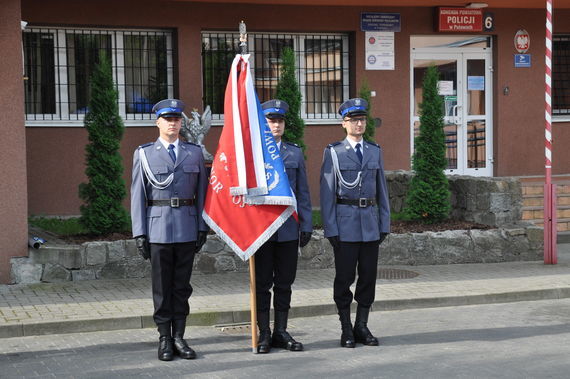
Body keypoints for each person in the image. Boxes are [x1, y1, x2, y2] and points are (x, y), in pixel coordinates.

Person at [131, 99, 208, 361]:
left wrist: (202, 227)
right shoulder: (144, 153)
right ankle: (164, 337)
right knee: (162, 287)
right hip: (158, 229)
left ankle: (180, 337)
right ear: (158, 122)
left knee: (182, 287)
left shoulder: (194, 152)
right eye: (168, 119)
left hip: (187, 227)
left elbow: (202, 194)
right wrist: (140, 232)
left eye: (176, 119)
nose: (173, 123)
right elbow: (138, 196)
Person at [319, 98, 390, 348]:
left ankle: (362, 326)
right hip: (345, 225)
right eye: (354, 120)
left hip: (370, 224)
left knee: (368, 277)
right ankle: (346, 327)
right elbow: (327, 193)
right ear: (344, 123)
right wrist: (331, 228)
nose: (359, 124)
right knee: (344, 278)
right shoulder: (334, 152)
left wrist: (384, 224)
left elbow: (381, 190)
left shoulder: (374, 150)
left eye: (362, 120)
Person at [254, 99, 313, 354]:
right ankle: (264, 332)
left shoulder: (294, 152)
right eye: (271, 120)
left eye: (279, 120)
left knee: (285, 283)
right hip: (262, 229)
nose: (276, 124)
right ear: (263, 124)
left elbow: (303, 192)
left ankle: (281, 330)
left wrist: (307, 225)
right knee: (262, 283)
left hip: (288, 228)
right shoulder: (254, 154)